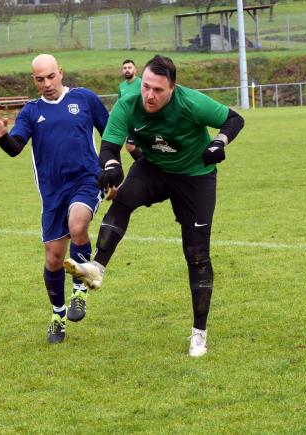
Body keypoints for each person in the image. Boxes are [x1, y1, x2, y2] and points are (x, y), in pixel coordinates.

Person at [63, 54, 245, 357]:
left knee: (196, 254)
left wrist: (219, 142)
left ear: (172, 88)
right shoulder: (129, 101)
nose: (149, 94)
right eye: (146, 86)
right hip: (155, 169)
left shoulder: (191, 102)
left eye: (158, 90)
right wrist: (110, 165)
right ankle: (97, 267)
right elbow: (110, 145)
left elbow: (235, 118)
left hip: (195, 176)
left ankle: (199, 332)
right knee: (122, 199)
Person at [0, 54, 109, 344]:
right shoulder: (31, 112)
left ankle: (80, 290)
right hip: (52, 192)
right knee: (54, 258)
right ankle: (58, 315)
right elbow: (16, 147)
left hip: (86, 180)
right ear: (34, 80)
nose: (47, 83)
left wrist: (110, 172)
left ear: (61, 73)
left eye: (51, 76)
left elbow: (111, 133)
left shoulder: (85, 99)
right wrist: (3, 137)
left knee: (78, 223)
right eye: (40, 79)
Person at [117, 59, 143, 160]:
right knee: (141, 148)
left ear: (135, 70)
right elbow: (120, 104)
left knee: (130, 146)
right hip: (129, 123)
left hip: (140, 122)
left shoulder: (141, 83)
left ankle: (144, 166)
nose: (127, 70)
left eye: (129, 67)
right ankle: (148, 169)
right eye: (125, 68)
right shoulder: (122, 86)